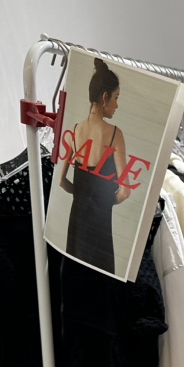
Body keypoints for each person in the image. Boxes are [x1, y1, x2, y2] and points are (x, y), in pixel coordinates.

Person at [59, 57, 131, 274]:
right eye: (116, 98)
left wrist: (82, 195)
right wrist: (103, 202)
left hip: (77, 224)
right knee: (100, 281)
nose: (117, 105)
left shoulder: (74, 130)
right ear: (104, 97)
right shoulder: (115, 134)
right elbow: (125, 192)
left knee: (75, 275)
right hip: (100, 226)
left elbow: (61, 181)